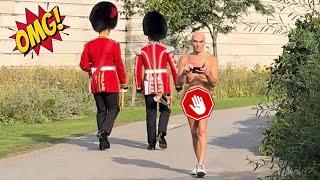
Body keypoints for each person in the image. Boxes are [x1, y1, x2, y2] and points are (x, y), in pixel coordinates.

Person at [80, 1, 127, 150]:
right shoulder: (114, 44)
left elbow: (83, 64)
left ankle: (103, 142)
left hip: (95, 81)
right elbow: (119, 64)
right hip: (111, 80)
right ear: (110, 25)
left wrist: (92, 69)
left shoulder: (89, 45)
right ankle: (104, 131)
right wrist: (124, 82)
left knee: (101, 111)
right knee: (114, 108)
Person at [176, 31, 218, 177]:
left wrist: (206, 73)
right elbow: (178, 83)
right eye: (195, 41)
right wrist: (183, 73)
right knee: (194, 132)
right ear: (191, 42)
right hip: (189, 97)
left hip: (205, 96)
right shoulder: (184, 59)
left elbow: (214, 82)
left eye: (200, 42)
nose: (198, 44)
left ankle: (201, 164)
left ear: (204, 42)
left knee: (202, 130)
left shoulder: (211, 59)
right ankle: (198, 163)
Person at [134, 11, 178, 150]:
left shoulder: (141, 51)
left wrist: (139, 86)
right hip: (163, 84)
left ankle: (151, 143)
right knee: (165, 109)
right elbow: (174, 68)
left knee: (150, 112)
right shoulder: (166, 50)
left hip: (148, 85)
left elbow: (137, 70)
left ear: (147, 33)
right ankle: (161, 133)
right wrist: (178, 84)